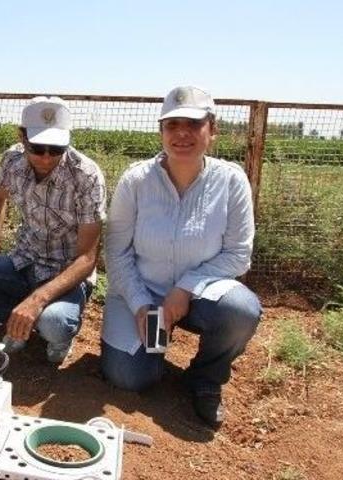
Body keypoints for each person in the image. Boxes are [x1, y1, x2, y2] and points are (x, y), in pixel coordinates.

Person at [101, 86, 262, 427]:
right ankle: (156, 346)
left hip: (201, 295)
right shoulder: (137, 180)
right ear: (161, 132)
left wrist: (186, 287)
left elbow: (239, 254)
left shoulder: (231, 181)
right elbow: (116, 251)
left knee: (240, 310)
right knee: (133, 378)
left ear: (212, 130)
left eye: (193, 123)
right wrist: (142, 304)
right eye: (172, 125)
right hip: (144, 292)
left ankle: (205, 379)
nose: (182, 133)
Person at [0, 97, 106, 364]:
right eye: (37, 147)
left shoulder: (86, 175)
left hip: (65, 274)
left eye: (56, 149)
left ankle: (48, 325)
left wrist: (38, 300)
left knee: (54, 324)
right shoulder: (12, 160)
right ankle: (20, 320)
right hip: (23, 261)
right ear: (22, 137)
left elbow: (87, 259)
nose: (46, 157)